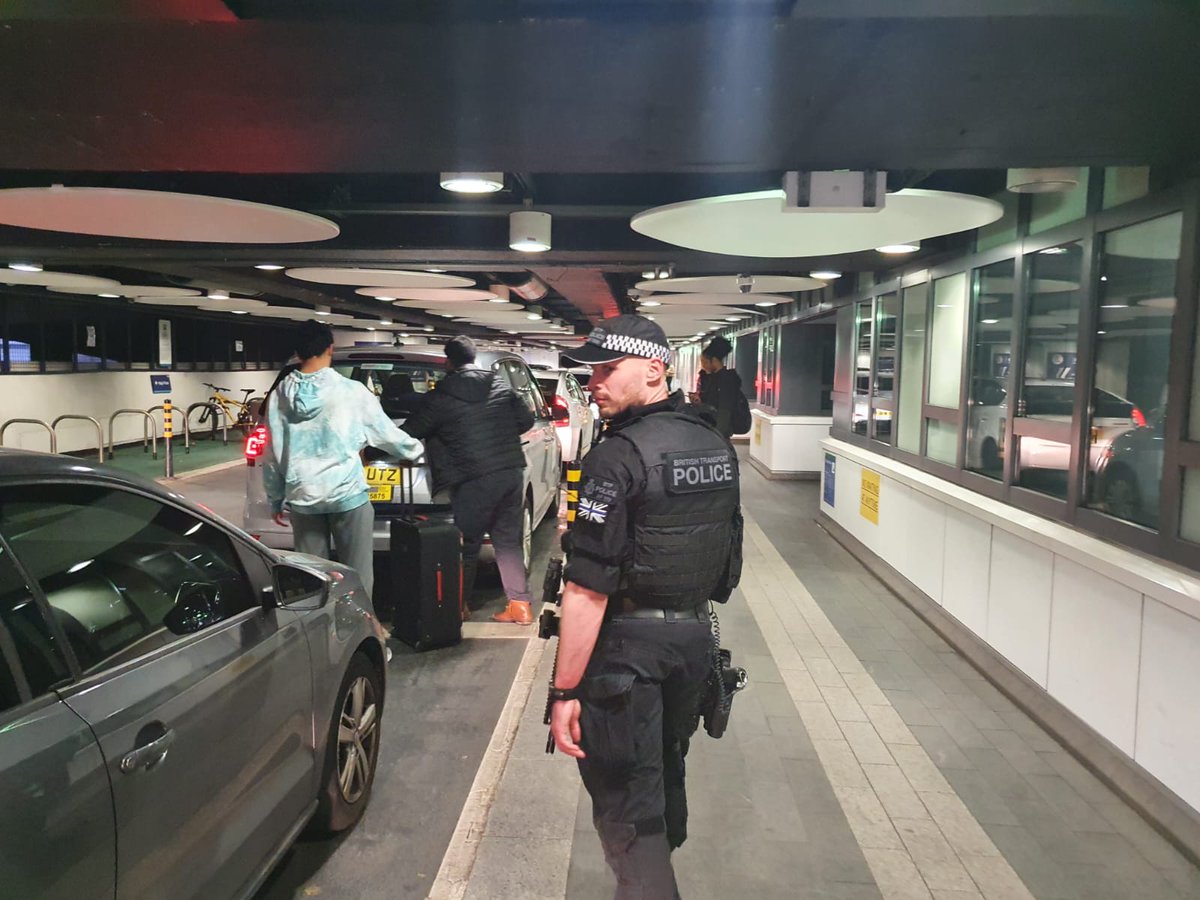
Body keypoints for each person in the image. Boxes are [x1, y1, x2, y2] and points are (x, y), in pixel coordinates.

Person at [548, 315, 742, 898]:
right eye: (592, 370)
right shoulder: (712, 441)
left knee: (626, 809)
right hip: (691, 646)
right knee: (661, 777)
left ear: (654, 371)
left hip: (625, 656)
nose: (594, 382)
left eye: (609, 369)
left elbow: (586, 588)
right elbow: (724, 561)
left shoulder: (616, 456)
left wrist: (563, 693)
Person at [264, 320, 423, 602]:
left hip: (303, 496)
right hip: (347, 494)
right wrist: (414, 451)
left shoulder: (279, 396)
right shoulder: (351, 392)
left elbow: (273, 452)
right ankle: (363, 633)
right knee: (357, 574)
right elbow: (386, 435)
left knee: (312, 578)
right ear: (330, 348)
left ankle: (322, 636)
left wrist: (276, 498)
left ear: (298, 353)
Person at [401, 335, 537, 624]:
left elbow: (412, 430)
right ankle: (520, 605)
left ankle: (458, 606)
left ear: (448, 362)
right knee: (508, 541)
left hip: (472, 477)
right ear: (474, 358)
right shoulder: (500, 384)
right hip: (510, 470)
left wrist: (370, 449)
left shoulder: (440, 396)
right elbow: (525, 421)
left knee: (468, 544)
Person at [697, 336, 745, 439]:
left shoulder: (726, 380)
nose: (703, 366)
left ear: (713, 360)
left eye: (704, 362)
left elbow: (725, 410)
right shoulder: (712, 378)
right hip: (711, 429)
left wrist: (718, 436)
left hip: (718, 433)